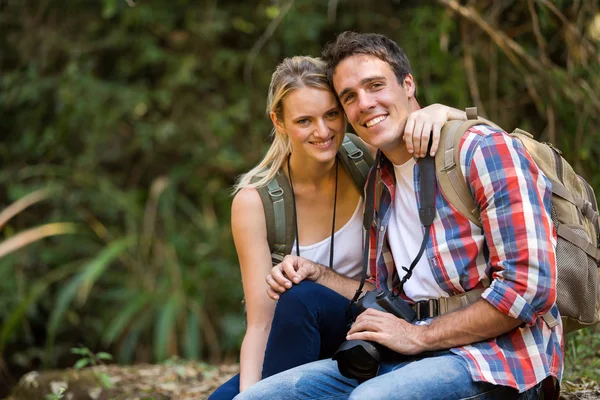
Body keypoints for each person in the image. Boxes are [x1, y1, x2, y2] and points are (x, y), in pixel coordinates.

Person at [235, 32, 562, 400]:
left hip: (498, 359)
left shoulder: (482, 151)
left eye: (375, 85)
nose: (365, 104)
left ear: (409, 84)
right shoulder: (379, 179)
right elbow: (383, 292)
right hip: (406, 352)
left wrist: (419, 336)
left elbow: (528, 290)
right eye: (350, 98)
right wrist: (318, 274)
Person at [209, 55, 467, 399]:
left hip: (372, 322)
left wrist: (446, 112)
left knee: (301, 296)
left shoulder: (365, 156)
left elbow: (424, 124)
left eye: (331, 114)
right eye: (304, 120)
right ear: (279, 121)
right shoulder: (255, 202)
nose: (323, 131)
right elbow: (260, 323)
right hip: (297, 335)